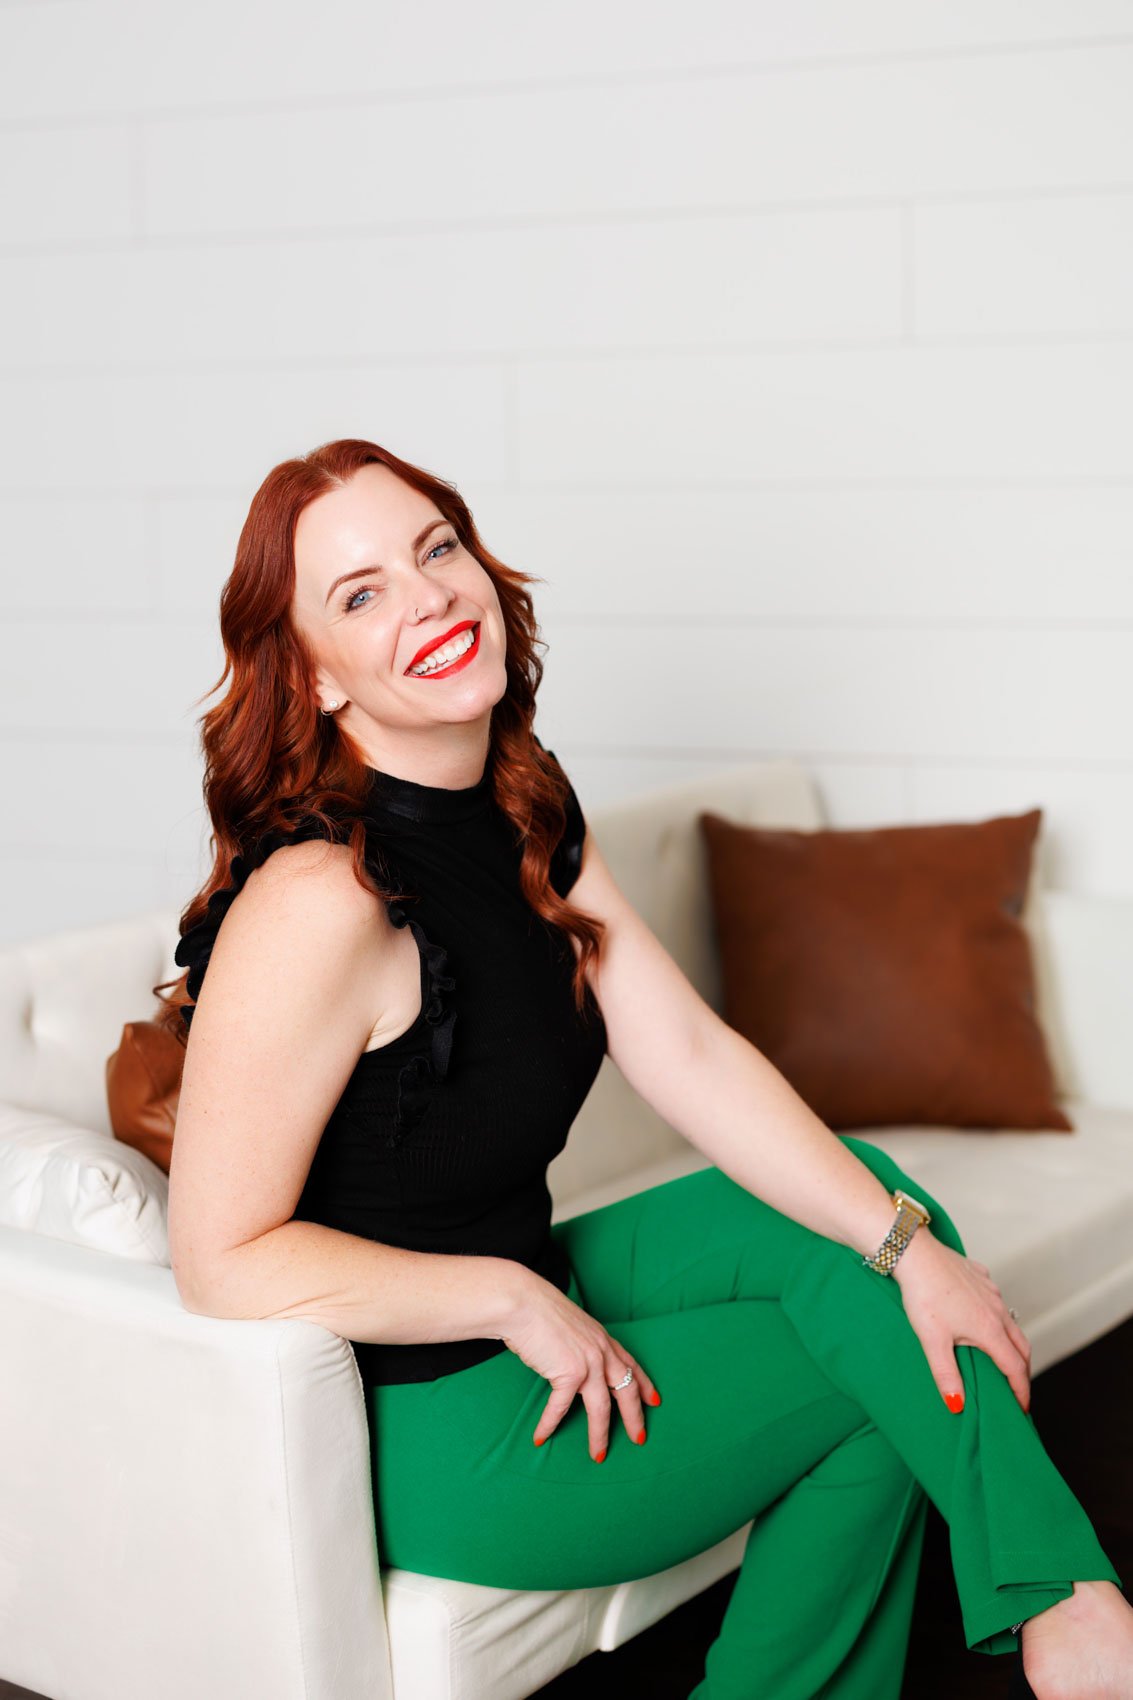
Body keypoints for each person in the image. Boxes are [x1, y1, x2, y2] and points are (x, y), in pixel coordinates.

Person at [163, 437, 1130, 1700]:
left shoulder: (520, 807)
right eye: (360, 595)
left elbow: (685, 1051)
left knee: (880, 1209)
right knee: (875, 1377)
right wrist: (509, 1301)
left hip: (534, 1274)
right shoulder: (319, 900)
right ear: (317, 679)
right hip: (437, 1414)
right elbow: (219, 1258)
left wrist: (911, 1245)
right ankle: (1073, 1616)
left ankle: (1066, 1601)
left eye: (435, 549)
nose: (427, 598)